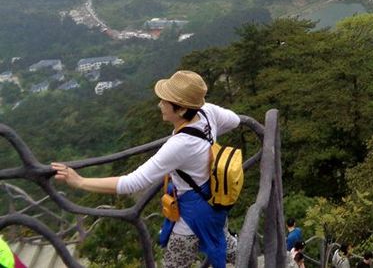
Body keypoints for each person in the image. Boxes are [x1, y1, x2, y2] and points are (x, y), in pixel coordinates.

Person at [52, 70, 240, 268]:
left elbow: (132, 182)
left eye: (165, 101)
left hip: (191, 221)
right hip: (215, 200)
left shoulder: (181, 144)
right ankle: (247, 258)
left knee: (173, 264)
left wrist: (80, 181)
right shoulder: (206, 111)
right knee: (223, 239)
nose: (160, 104)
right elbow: (235, 120)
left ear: (182, 110)